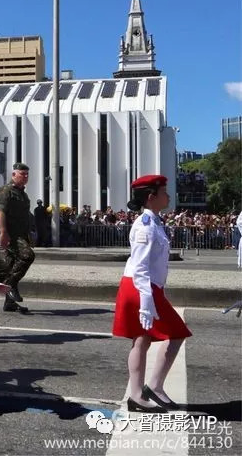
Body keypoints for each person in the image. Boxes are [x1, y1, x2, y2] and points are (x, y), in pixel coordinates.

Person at [112, 174, 191, 412]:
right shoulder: (144, 227)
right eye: (164, 192)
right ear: (151, 197)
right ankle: (149, 388)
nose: (168, 195)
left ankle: (142, 392)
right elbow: (141, 267)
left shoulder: (155, 221)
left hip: (146, 287)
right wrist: (147, 303)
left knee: (142, 340)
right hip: (140, 287)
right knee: (175, 333)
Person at [0, 162, 35, 313]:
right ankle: (8, 285)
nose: (25, 177)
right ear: (13, 175)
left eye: (27, 174)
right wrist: (3, 232)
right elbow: (0, 211)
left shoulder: (22, 194)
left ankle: (9, 303)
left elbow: (25, 216)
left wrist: (29, 234)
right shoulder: (6, 191)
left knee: (13, 266)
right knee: (27, 256)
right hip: (10, 234)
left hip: (21, 233)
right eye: (22, 174)